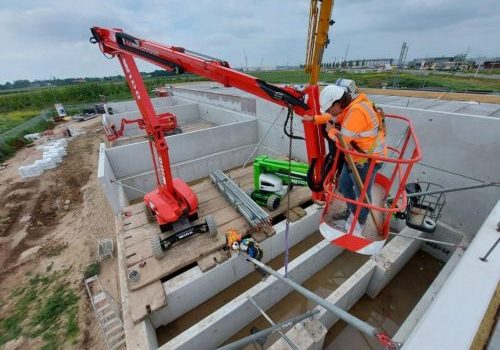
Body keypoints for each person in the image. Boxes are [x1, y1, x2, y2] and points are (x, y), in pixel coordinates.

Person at [304, 85, 386, 234]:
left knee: (362, 194)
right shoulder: (350, 106)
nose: (328, 113)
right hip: (356, 158)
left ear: (337, 103)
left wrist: (331, 131)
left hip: (368, 161)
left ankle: (359, 223)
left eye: (329, 109)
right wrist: (315, 119)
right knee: (344, 184)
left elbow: (343, 141)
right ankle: (351, 212)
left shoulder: (357, 113)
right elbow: (333, 117)